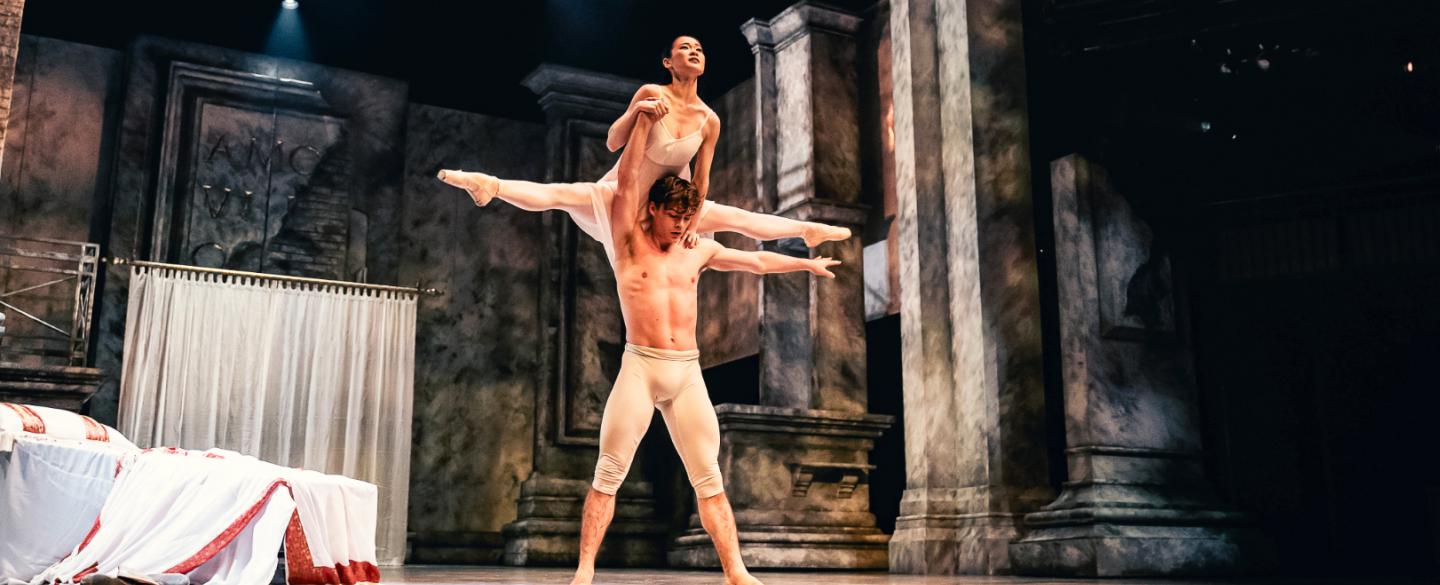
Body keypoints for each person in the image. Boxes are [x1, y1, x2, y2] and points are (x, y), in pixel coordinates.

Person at [566, 102, 837, 585]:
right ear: (653, 209)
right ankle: (584, 570)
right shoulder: (626, 243)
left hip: (686, 370)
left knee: (709, 477)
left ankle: (736, 571)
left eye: (687, 217)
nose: (680, 225)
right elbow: (625, 182)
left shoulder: (698, 248)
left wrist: (805, 264)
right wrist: (643, 120)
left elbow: (755, 261)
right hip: (641, 366)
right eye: (673, 215)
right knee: (608, 473)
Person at [437, 35, 850, 257]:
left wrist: (690, 225)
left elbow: (701, 180)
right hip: (626, 191)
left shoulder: (709, 119)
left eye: (699, 49)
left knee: (736, 217)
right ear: (669, 62)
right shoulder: (653, 92)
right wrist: (637, 112)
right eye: (685, 48)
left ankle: (806, 230)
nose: (694, 52)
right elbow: (613, 141)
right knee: (562, 194)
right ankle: (489, 185)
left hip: (670, 201)